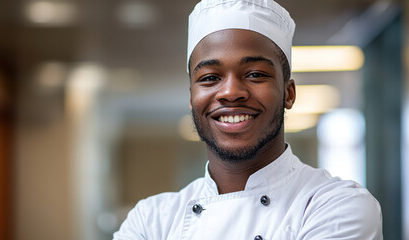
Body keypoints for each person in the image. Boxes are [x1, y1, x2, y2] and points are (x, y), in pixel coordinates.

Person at [113, 0, 383, 239]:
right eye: (209, 78)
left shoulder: (336, 206)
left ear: (288, 94)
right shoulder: (151, 220)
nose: (230, 92)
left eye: (255, 74)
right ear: (192, 97)